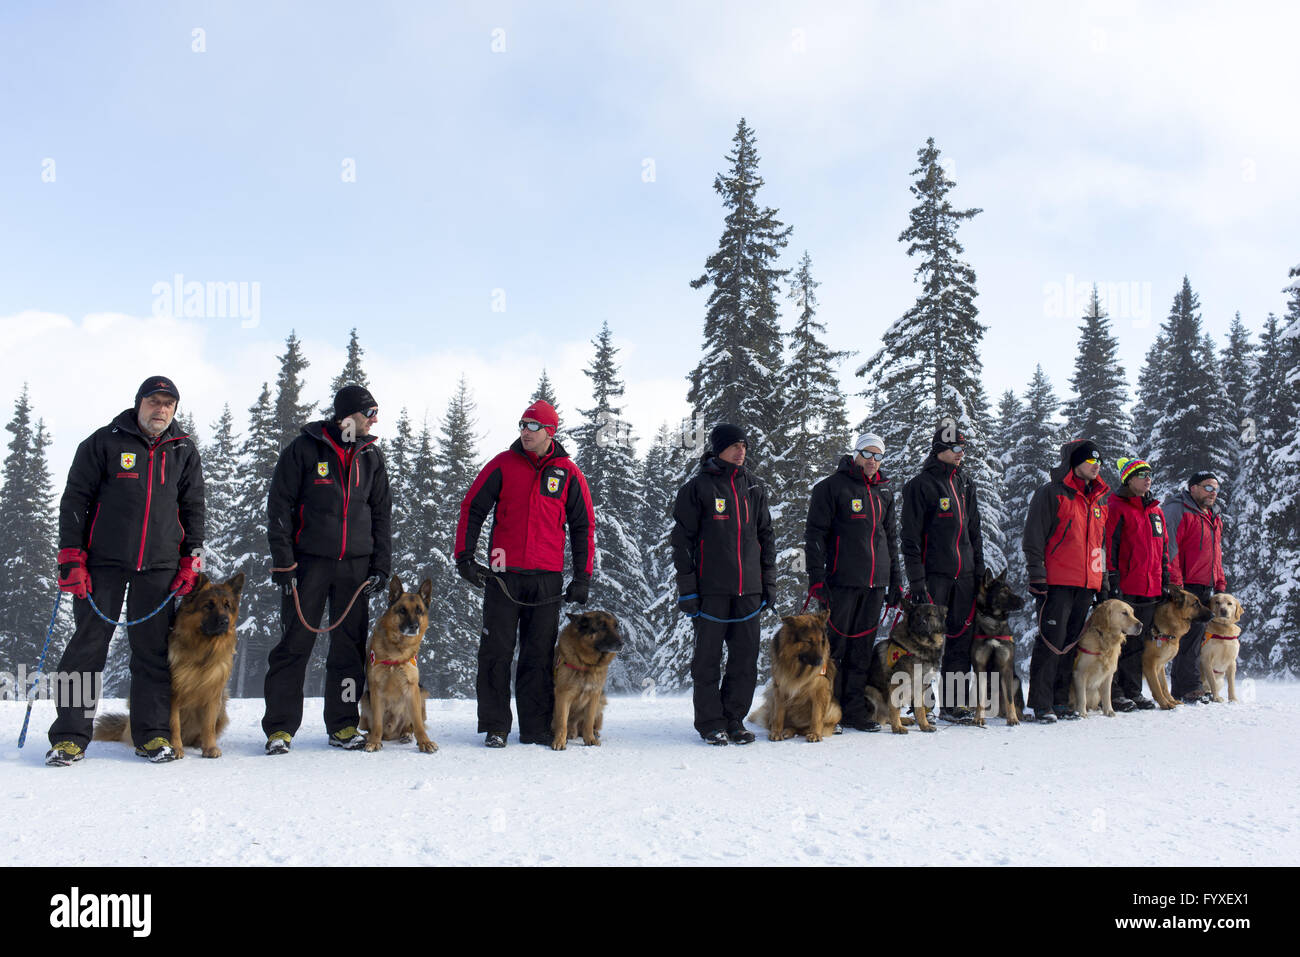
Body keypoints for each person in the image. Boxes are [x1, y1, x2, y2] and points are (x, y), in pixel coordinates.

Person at [46, 376, 205, 766]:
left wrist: (191, 560)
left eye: (169, 404)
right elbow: (75, 500)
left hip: (160, 567)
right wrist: (70, 557)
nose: (161, 409)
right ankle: (69, 737)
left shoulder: (184, 450)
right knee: (85, 649)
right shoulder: (103, 442)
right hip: (102, 564)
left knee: (151, 654)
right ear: (139, 403)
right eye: (155, 401)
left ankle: (152, 736)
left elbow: (194, 509)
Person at [454, 399, 594, 748]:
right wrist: (464, 557)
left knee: (539, 655)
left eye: (532, 426)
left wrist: (582, 577)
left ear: (550, 431)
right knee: (496, 651)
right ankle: (495, 725)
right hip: (503, 575)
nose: (524, 432)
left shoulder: (568, 473)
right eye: (521, 425)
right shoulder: (502, 464)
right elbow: (472, 508)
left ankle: (535, 727)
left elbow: (583, 526)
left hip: (547, 579)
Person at [263, 385, 391, 754]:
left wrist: (381, 565)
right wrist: (284, 563)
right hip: (308, 565)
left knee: (348, 651)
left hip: (356, 569)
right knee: (294, 646)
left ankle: (343, 725)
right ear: (347, 415)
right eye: (370, 412)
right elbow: (279, 508)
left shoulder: (371, 456)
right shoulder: (304, 449)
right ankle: (280, 729)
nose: (375, 420)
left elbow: (382, 514)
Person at [671, 423, 776, 746]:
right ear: (718, 449)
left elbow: (766, 538)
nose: (741, 450)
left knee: (744, 661)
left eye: (744, 445)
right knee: (707, 661)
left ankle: (734, 719)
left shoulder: (755, 488)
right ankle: (710, 722)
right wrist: (688, 589)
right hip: (710, 592)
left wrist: (768, 583)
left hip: (749, 591)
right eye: (734, 445)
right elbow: (682, 543)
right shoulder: (697, 488)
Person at [805, 432, 902, 732]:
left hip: (875, 584)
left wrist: (895, 581)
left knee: (861, 650)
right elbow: (815, 536)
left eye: (878, 456)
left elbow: (891, 539)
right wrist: (817, 578)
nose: (873, 462)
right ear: (856, 454)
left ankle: (853, 710)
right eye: (868, 454)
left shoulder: (884, 491)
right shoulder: (831, 488)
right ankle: (821, 709)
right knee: (833, 650)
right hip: (840, 583)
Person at [900, 423, 985, 724]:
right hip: (933, 575)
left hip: (964, 575)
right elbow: (909, 538)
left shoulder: (965, 483)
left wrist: (979, 573)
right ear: (940, 451)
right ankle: (920, 704)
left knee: (960, 641)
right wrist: (917, 580)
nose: (961, 454)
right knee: (924, 643)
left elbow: (975, 532)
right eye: (956, 449)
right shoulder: (920, 485)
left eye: (963, 448)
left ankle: (954, 703)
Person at [1023, 438, 1110, 723]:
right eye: (1089, 461)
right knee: (1051, 642)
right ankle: (1041, 702)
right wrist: (1037, 574)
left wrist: (1102, 582)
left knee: (1071, 643)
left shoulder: (1099, 502)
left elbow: (1099, 545)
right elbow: (1034, 536)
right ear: (1074, 463)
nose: (1095, 467)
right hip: (1056, 582)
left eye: (1098, 462)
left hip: (1086, 583)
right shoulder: (1051, 493)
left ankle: (1061, 700)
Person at [1103, 457, 1167, 711]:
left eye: (1149, 474)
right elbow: (1109, 545)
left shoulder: (1156, 511)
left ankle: (1133, 690)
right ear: (1128, 479)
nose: (1147, 478)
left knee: (1139, 643)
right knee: (1118, 642)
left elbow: (1163, 549)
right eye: (1141, 474)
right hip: (1126, 587)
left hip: (1150, 587)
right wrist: (1111, 578)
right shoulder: (1116, 506)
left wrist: (1166, 578)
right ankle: (1115, 691)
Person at [1164, 470, 1227, 703]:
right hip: (1185, 586)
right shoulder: (1178, 509)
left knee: (1196, 636)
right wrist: (1177, 585)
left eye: (1216, 489)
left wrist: (1219, 582)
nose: (1213, 493)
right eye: (1208, 487)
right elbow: (1171, 548)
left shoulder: (1213, 516)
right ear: (1193, 488)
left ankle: (1187, 686)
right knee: (1185, 637)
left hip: (1204, 585)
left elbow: (1215, 554)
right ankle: (1188, 687)